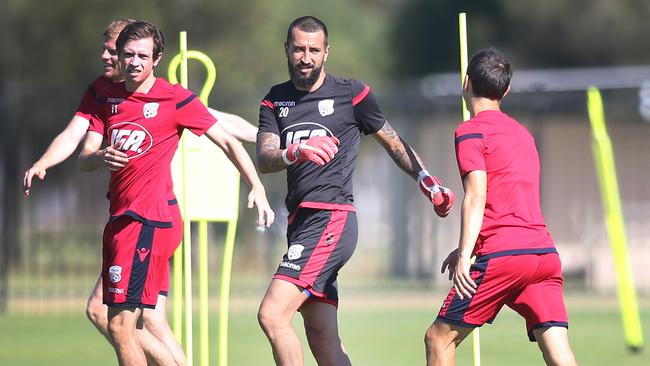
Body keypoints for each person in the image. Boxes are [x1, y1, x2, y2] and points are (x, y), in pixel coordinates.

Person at [22, 18, 259, 366]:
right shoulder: (103, 94)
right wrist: (54, 161)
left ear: (152, 57)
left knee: (113, 319)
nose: (109, 55)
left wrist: (265, 150)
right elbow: (79, 144)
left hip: (151, 216)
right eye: (112, 48)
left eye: (115, 48)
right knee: (148, 320)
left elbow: (221, 127)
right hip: (125, 216)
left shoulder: (167, 94)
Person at [255, 16, 454, 366]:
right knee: (321, 335)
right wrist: (295, 151)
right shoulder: (275, 100)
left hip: (331, 219)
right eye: (299, 49)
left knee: (272, 315)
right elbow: (266, 157)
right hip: (301, 225)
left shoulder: (351, 93)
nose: (306, 57)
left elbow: (392, 142)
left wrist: (428, 181)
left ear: (326, 52)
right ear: (287, 49)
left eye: (314, 50)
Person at [424, 48, 577, 366]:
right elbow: (510, 199)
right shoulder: (523, 135)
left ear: (465, 83)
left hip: (503, 258)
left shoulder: (470, 132)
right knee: (558, 351)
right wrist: (466, 245)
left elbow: (477, 196)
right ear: (505, 90)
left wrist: (466, 255)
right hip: (544, 257)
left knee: (438, 338)